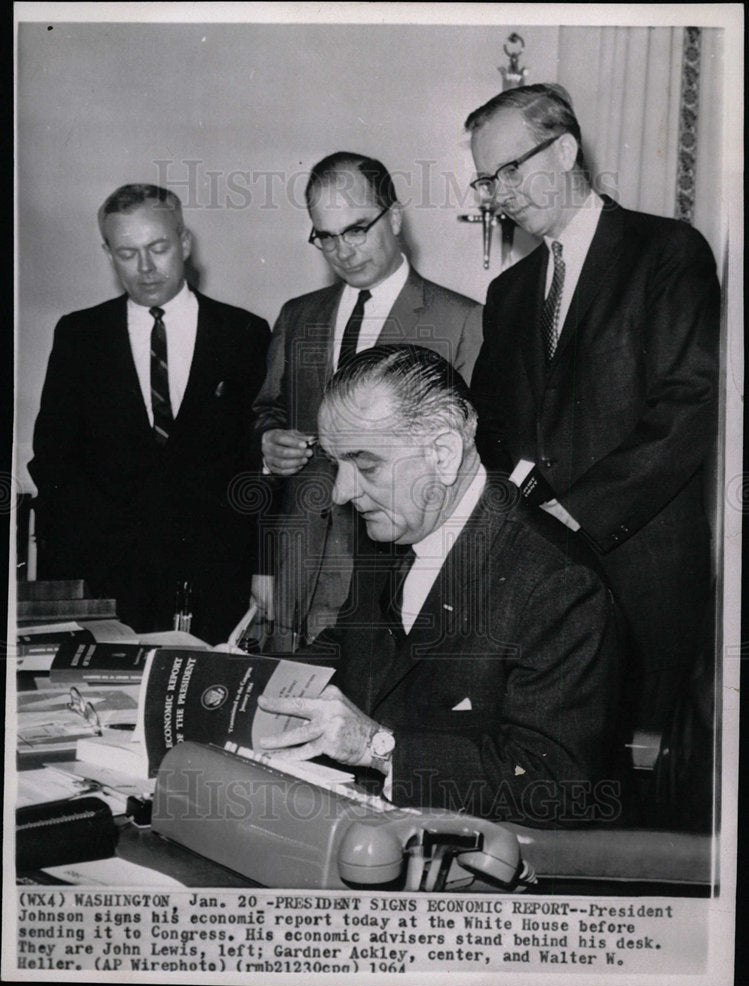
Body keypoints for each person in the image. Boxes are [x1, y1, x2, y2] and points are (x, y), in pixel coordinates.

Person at [258, 345, 622, 825]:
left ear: (444, 454)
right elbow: (351, 648)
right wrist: (241, 679)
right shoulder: (393, 526)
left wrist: (377, 748)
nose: (342, 493)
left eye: (365, 466)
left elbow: (554, 784)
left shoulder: (559, 584)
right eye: (335, 464)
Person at [464, 84, 720, 733]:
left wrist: (574, 513)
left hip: (645, 585)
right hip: (541, 595)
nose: (499, 193)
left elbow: (688, 405)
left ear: (566, 149)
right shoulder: (507, 292)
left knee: (641, 809)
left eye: (510, 169)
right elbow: (491, 431)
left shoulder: (665, 252)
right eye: (486, 180)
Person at [251, 152, 483, 649]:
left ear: (394, 217)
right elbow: (268, 409)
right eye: (326, 236)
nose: (343, 250)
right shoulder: (298, 316)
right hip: (296, 574)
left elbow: (465, 461)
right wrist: (268, 441)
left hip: (392, 572)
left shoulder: (462, 321)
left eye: (357, 229)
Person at [29, 184, 271, 643]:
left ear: (184, 242)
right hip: (109, 585)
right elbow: (53, 459)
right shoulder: (80, 336)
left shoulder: (244, 333)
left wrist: (262, 568)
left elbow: (257, 467)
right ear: (108, 253)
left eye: (158, 248)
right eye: (127, 253)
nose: (145, 268)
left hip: (216, 583)